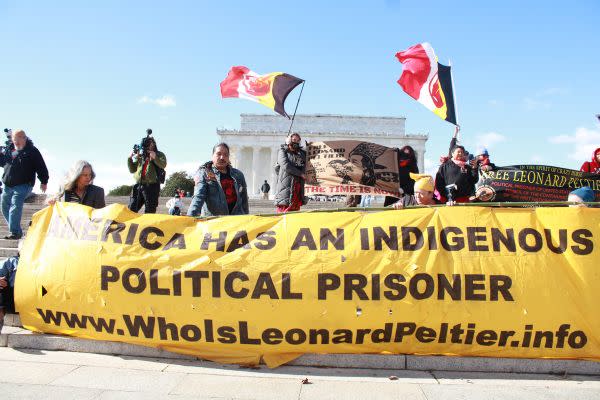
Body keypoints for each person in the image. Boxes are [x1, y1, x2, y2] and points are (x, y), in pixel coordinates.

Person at [0, 130, 49, 239]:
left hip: (24, 184)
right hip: (8, 184)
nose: (16, 142)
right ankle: (16, 229)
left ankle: (15, 232)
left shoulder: (32, 151)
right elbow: (3, 163)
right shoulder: (9, 149)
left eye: (18, 139)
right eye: (14, 140)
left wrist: (44, 181)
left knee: (15, 204)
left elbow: (41, 166)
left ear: (24, 138)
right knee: (4, 206)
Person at [187, 143, 249, 217]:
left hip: (236, 221)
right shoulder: (204, 173)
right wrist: (190, 217)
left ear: (229, 157)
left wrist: (247, 219)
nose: (222, 157)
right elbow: (198, 196)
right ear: (212, 156)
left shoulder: (238, 175)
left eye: (226, 155)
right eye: (218, 154)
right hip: (214, 221)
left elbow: (244, 200)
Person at [127, 136, 167, 214]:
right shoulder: (141, 155)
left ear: (154, 144)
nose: (148, 145)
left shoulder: (159, 154)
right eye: (146, 144)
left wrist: (155, 157)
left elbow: (163, 165)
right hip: (138, 185)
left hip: (152, 186)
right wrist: (129, 158)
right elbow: (132, 170)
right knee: (131, 209)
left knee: (150, 210)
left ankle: (148, 226)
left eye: (150, 143)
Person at [274, 133, 307, 212]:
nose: (296, 142)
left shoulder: (301, 153)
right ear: (289, 140)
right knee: (284, 211)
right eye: (294, 140)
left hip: (297, 187)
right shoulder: (283, 151)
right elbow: (286, 165)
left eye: (298, 140)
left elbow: (308, 164)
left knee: (295, 212)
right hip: (286, 186)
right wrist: (301, 174)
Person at [0, 239, 22, 332]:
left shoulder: (42, 263)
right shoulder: (11, 261)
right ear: (19, 250)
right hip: (12, 299)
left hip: (33, 300)